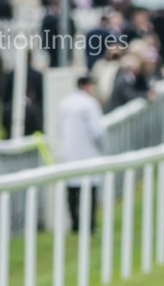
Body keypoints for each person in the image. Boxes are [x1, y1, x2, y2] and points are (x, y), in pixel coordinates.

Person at [56, 75, 105, 234]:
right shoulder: (90, 104)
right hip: (88, 152)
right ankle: (89, 225)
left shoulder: (65, 103)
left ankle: (75, 223)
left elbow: (59, 128)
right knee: (90, 190)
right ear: (87, 86)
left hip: (69, 151)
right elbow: (97, 131)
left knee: (72, 190)